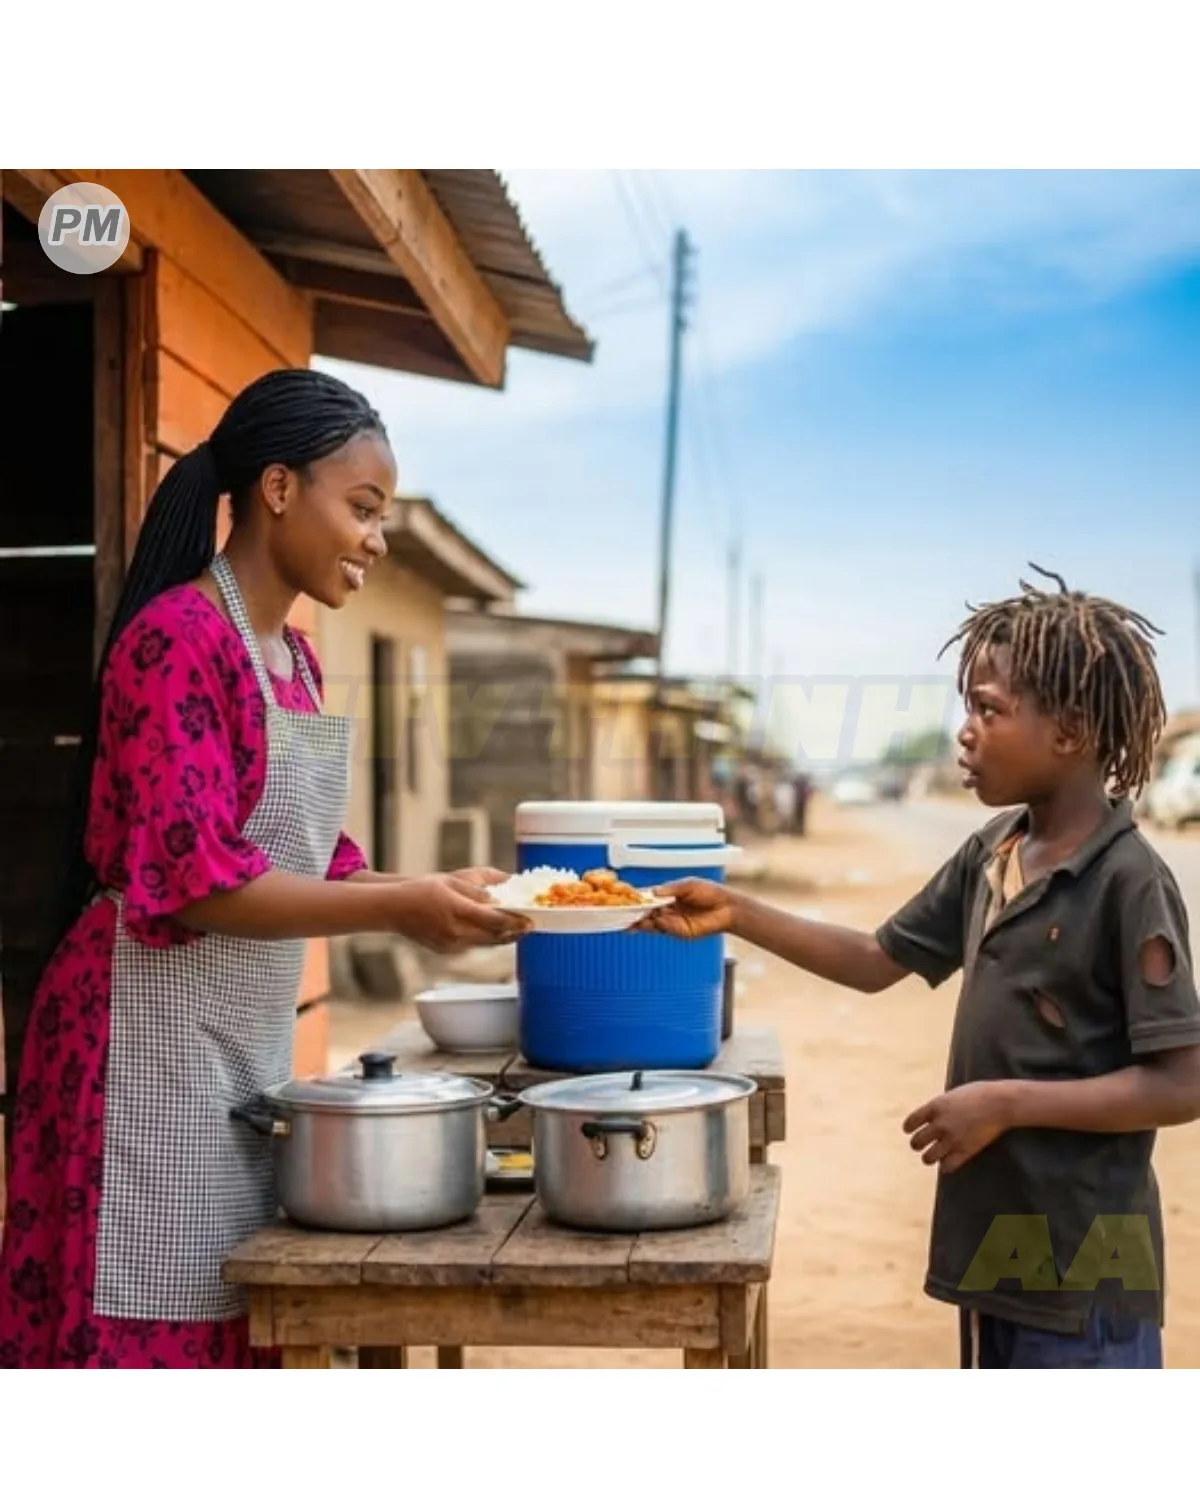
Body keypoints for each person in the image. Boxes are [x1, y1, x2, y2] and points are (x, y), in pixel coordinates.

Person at [0, 368, 528, 1369]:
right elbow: (200, 884)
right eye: (362, 508)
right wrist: (403, 909)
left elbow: (311, 864)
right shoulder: (177, 642)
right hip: (140, 1047)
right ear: (279, 489)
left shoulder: (294, 659)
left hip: (236, 1046)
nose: (376, 537)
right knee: (140, 1324)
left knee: (230, 1307)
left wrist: (444, 889)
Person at [646, 566, 1200, 1368]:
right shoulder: (996, 852)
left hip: (1088, 1266)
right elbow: (877, 959)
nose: (964, 732)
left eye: (987, 709)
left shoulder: (1128, 880)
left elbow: (1183, 1081)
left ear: (1071, 732)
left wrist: (1006, 1102)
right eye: (965, 708)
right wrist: (739, 913)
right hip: (996, 1249)